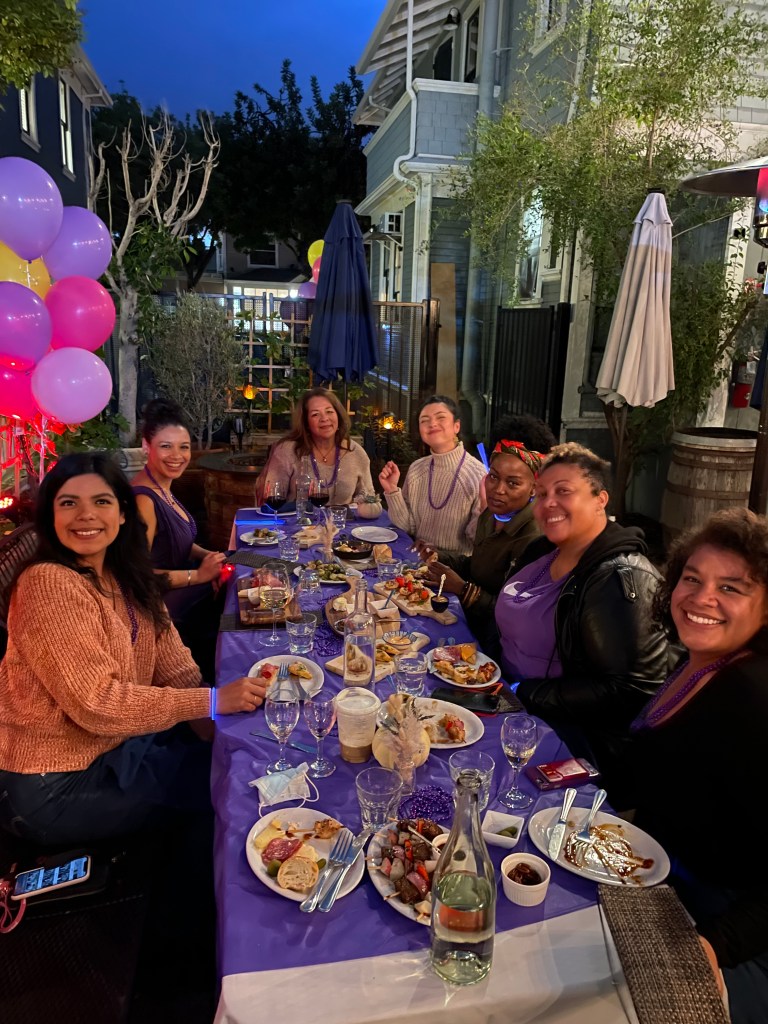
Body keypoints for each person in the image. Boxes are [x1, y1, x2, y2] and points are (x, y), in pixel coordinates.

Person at [0, 453, 267, 846]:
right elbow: (96, 703)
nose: (86, 515)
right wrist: (209, 703)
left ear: (123, 513)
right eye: (69, 503)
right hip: (53, 782)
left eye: (101, 502)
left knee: (239, 766)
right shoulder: (49, 584)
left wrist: (215, 730)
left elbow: (172, 661)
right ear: (51, 517)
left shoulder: (126, 572)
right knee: (227, 795)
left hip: (120, 747)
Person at [629, 509, 768, 1022]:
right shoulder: (699, 664)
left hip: (733, 927)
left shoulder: (752, 697)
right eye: (692, 578)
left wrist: (714, 945)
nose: (702, 597)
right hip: (667, 879)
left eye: (731, 587)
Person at [494, 442, 667, 799]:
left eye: (564, 491)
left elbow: (630, 689)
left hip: (568, 739)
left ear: (600, 499)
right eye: (541, 494)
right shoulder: (545, 549)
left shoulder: (620, 579)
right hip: (510, 706)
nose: (548, 503)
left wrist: (523, 692)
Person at [417, 415, 557, 647]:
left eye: (512, 483)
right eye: (493, 477)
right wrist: (438, 555)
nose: (497, 490)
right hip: (467, 621)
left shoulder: (535, 540)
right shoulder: (491, 515)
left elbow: (517, 613)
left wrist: (463, 590)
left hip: (498, 644)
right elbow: (478, 567)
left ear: (535, 488)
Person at [132, 399, 225, 679]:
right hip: (162, 609)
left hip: (182, 592)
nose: (177, 455)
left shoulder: (163, 487)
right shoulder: (142, 500)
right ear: (146, 447)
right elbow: (138, 575)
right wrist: (199, 575)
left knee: (248, 573)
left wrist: (207, 556)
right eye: (165, 446)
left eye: (183, 447)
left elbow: (176, 540)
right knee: (239, 612)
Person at [379, 395, 487, 557]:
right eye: (424, 420)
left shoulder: (478, 475)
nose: (432, 424)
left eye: (441, 417)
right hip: (416, 561)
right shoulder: (417, 469)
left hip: (454, 570)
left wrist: (486, 510)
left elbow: (478, 540)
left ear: (456, 426)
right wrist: (392, 490)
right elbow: (408, 526)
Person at [258, 387, 374, 505]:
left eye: (329, 412)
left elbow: (369, 498)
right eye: (315, 414)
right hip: (297, 522)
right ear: (306, 423)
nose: (324, 418)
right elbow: (271, 498)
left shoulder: (355, 452)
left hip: (344, 522)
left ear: (338, 416)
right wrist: (302, 502)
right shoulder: (287, 451)